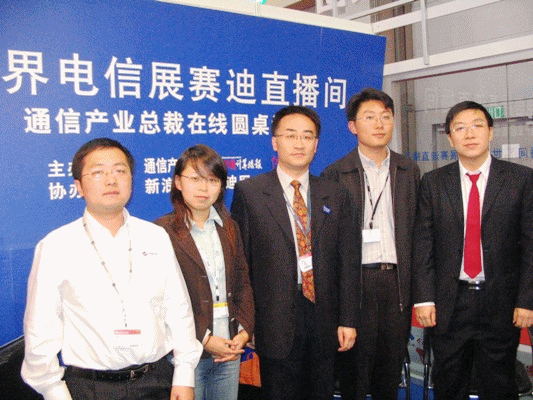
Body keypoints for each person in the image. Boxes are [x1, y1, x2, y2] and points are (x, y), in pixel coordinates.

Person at [21, 138, 202, 400]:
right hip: (89, 388)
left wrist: (184, 375)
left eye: (120, 171)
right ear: (79, 186)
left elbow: (178, 309)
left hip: (156, 382)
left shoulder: (155, 236)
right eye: (98, 172)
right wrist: (53, 391)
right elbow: (41, 327)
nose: (111, 180)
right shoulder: (56, 246)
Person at [231, 105, 360, 400]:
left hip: (325, 319)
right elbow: (242, 265)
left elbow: (349, 262)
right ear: (275, 142)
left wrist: (348, 319)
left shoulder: (336, 194)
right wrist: (246, 322)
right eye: (290, 135)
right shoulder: (250, 192)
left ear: (316, 144)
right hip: (273, 319)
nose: (299, 143)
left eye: (307, 136)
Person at [413, 101, 533, 400]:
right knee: (449, 383)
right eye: (460, 128)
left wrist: (526, 300)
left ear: (490, 132)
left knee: (500, 384)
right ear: (450, 138)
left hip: (501, 302)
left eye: (477, 125)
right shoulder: (434, 183)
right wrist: (425, 298)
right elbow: (424, 244)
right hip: (450, 303)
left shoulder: (520, 179)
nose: (470, 134)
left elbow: (530, 244)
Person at [322, 87, 420, 400]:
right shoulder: (335, 173)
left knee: (388, 375)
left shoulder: (408, 170)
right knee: (354, 375)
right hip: (356, 284)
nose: (379, 124)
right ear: (353, 126)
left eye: (385, 117)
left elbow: (419, 232)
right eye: (369, 117)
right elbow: (328, 244)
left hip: (397, 283)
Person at [154, 144, 254, 400]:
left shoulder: (229, 227)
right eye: (195, 179)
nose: (203, 188)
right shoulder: (161, 232)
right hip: (185, 352)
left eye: (212, 180)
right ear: (178, 182)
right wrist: (206, 339)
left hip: (229, 347)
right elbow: (161, 298)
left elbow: (242, 282)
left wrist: (244, 332)